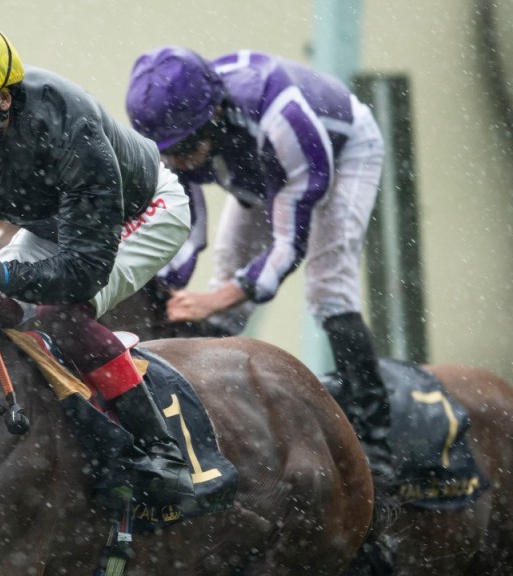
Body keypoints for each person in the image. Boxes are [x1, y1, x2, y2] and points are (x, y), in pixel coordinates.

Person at [0, 19, 195, 508]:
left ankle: (162, 450)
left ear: (2, 100)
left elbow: (81, 273)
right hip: (55, 223)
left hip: (142, 210)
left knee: (60, 313)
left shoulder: (66, 121)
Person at [125, 46, 395, 487]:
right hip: (255, 162)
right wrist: (164, 287)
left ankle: (377, 447)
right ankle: (209, 409)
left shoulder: (282, 116)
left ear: (214, 113)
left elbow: (289, 246)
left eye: (185, 148)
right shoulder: (184, 132)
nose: (177, 162)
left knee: (328, 287)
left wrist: (218, 298)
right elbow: (183, 231)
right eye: (166, 152)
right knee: (224, 275)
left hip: (334, 155)